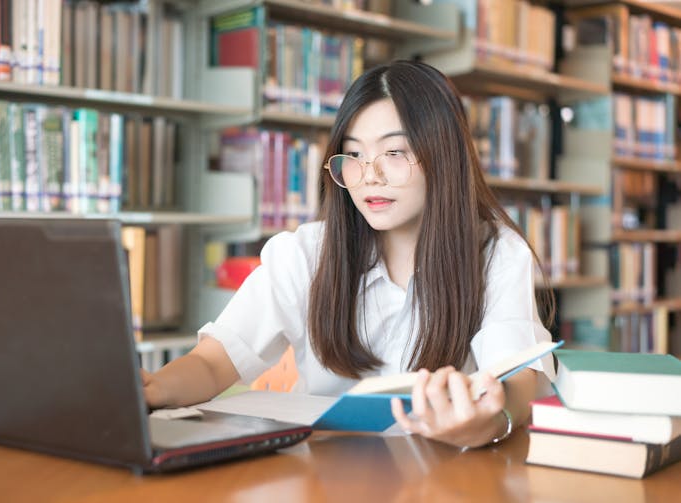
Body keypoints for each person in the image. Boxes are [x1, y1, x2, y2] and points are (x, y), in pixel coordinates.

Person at [141, 60, 556, 448]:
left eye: (394, 153)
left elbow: (517, 380)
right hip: (325, 474)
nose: (369, 176)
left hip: (442, 473)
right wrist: (153, 389)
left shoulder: (497, 255)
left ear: (444, 157)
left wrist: (490, 419)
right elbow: (214, 363)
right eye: (354, 155)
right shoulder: (303, 254)